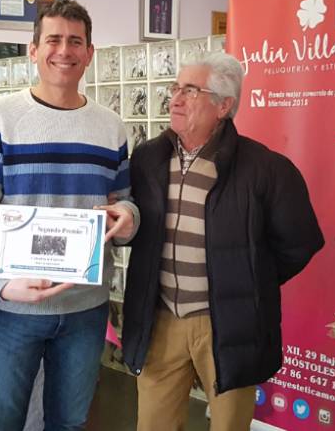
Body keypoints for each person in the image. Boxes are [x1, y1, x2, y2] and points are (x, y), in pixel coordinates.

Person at [122, 52, 324, 431]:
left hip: (227, 325)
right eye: (175, 88)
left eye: (190, 91)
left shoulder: (265, 169)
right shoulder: (148, 158)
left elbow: (299, 243)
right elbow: (133, 227)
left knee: (229, 425)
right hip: (160, 319)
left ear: (223, 106)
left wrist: (248, 280)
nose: (175, 99)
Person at [0, 0, 140, 430]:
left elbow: (124, 202)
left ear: (89, 53)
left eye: (75, 41)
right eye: (53, 40)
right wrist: (2, 284)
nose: (64, 50)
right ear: (33, 49)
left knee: (70, 423)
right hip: (12, 309)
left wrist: (127, 216)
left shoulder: (111, 126)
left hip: (85, 309)